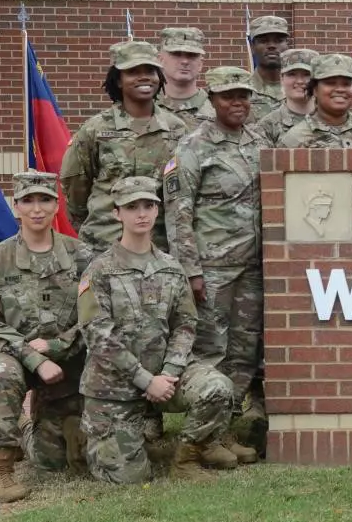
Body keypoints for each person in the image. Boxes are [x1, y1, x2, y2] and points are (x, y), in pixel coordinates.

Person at [79, 176, 237, 483]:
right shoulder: (99, 271)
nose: (142, 213)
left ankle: (187, 457)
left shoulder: (170, 266)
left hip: (166, 375)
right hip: (115, 385)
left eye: (149, 205)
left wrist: (170, 370)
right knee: (127, 478)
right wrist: (145, 380)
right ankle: (113, 434)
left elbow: (186, 324)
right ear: (117, 213)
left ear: (157, 210)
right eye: (132, 206)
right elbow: (99, 338)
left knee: (217, 388)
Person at [0, 170, 96, 503]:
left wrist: (57, 346)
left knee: (52, 461)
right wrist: (32, 357)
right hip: (13, 356)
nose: (37, 208)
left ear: (57, 205)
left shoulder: (81, 256)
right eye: (28, 201)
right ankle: (3, 472)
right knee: (0, 375)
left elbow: (96, 317)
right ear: (16, 206)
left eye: (45, 200)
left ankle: (31, 427)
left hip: (66, 358)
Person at [165, 67, 265, 465]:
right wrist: (190, 271)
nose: (237, 103)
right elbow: (177, 214)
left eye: (243, 95)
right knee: (211, 352)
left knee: (244, 351)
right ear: (212, 99)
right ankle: (204, 438)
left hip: (254, 267)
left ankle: (222, 432)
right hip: (212, 269)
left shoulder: (259, 141)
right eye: (228, 96)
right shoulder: (192, 146)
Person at [60, 40, 188, 250]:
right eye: (133, 71)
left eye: (150, 70)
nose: (144, 77)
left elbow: (183, 190)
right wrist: (100, 225)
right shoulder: (95, 129)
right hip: (104, 244)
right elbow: (75, 187)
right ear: (118, 80)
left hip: (158, 246)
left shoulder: (177, 129)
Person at [280, 54, 352, 148]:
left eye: (346, 84)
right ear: (315, 90)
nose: (340, 89)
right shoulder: (295, 139)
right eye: (330, 83)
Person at [253, 48, 318, 145]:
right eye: (292, 74)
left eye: (306, 74)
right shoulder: (267, 127)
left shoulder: (333, 120)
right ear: (281, 78)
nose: (299, 81)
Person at [158, 27, 215, 123]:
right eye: (176, 54)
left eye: (192, 55)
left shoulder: (217, 109)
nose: (185, 61)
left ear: (200, 64)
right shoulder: (143, 106)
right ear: (160, 60)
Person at [247, 14, 291, 119]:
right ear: (252, 47)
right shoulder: (242, 90)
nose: (271, 45)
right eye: (263, 41)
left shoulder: (303, 89)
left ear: (287, 45)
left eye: (278, 41)